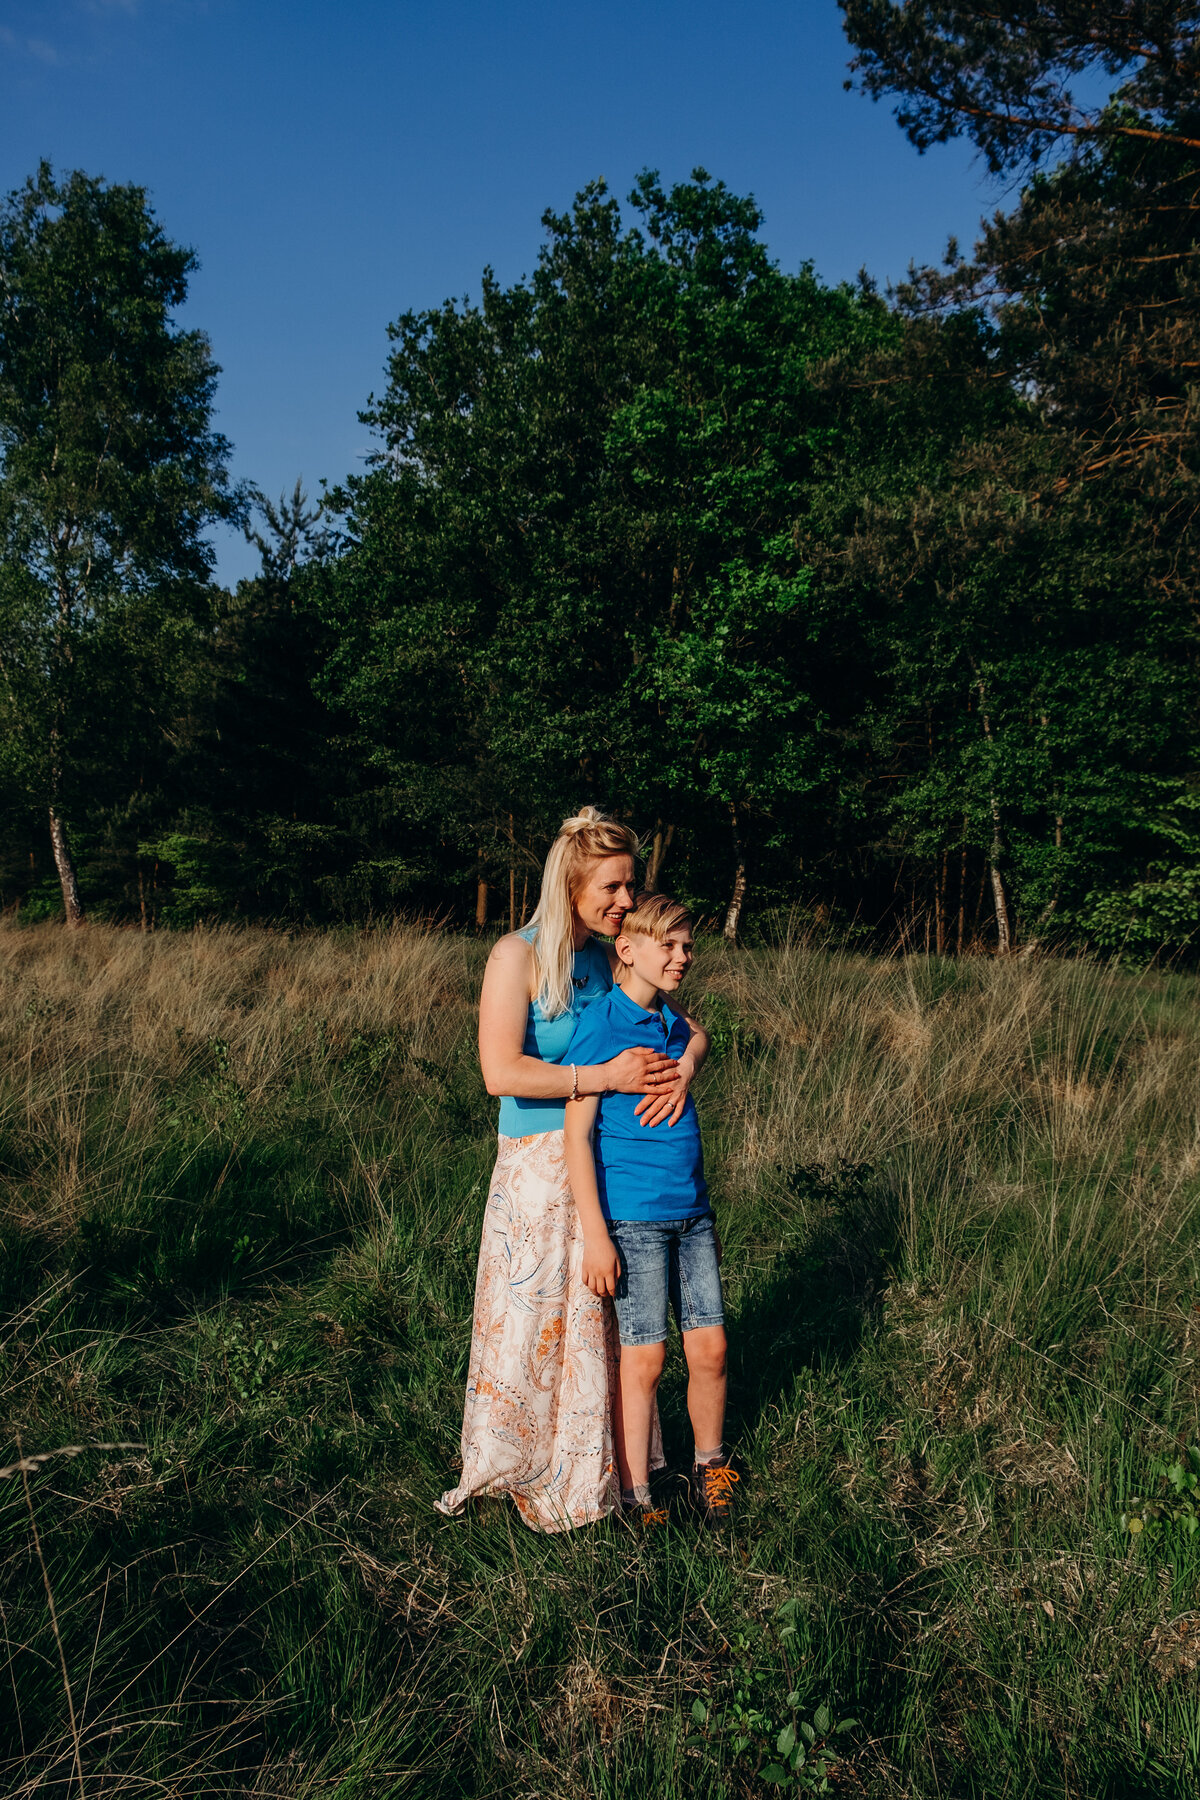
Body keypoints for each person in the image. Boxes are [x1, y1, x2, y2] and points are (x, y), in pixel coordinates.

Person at [437, 809, 710, 1532]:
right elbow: (500, 1071)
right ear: (571, 884)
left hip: (605, 1165)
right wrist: (602, 1078)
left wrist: (683, 1069)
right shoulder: (516, 955)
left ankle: (606, 1473)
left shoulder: (611, 957)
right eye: (612, 887)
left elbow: (686, 1030)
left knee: (599, 1328)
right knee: (536, 1327)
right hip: (536, 1169)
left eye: (631, 885)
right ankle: (523, 1460)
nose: (626, 900)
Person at [563, 891, 738, 1528]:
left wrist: (689, 1062)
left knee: (711, 1349)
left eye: (688, 946)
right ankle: (636, 1497)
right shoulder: (601, 1023)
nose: (683, 956)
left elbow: (699, 1038)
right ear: (628, 950)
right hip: (633, 1219)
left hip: (693, 1213)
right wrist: (596, 1234)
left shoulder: (671, 1018)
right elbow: (576, 1136)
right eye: (669, 945)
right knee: (645, 1358)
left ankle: (710, 1468)